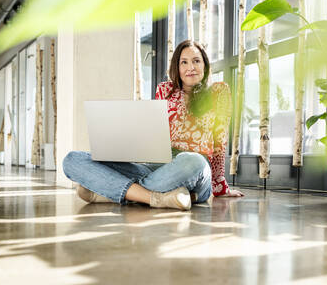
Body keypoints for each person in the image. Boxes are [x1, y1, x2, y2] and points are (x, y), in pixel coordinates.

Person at [63, 40, 244, 211]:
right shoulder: (165, 90)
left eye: (196, 61)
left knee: (193, 160)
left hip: (193, 169)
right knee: (72, 159)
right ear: (177, 68)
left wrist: (220, 187)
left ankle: (111, 191)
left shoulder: (218, 92)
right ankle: (156, 198)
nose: (191, 67)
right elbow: (154, 133)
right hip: (158, 165)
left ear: (204, 65)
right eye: (184, 62)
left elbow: (220, 143)